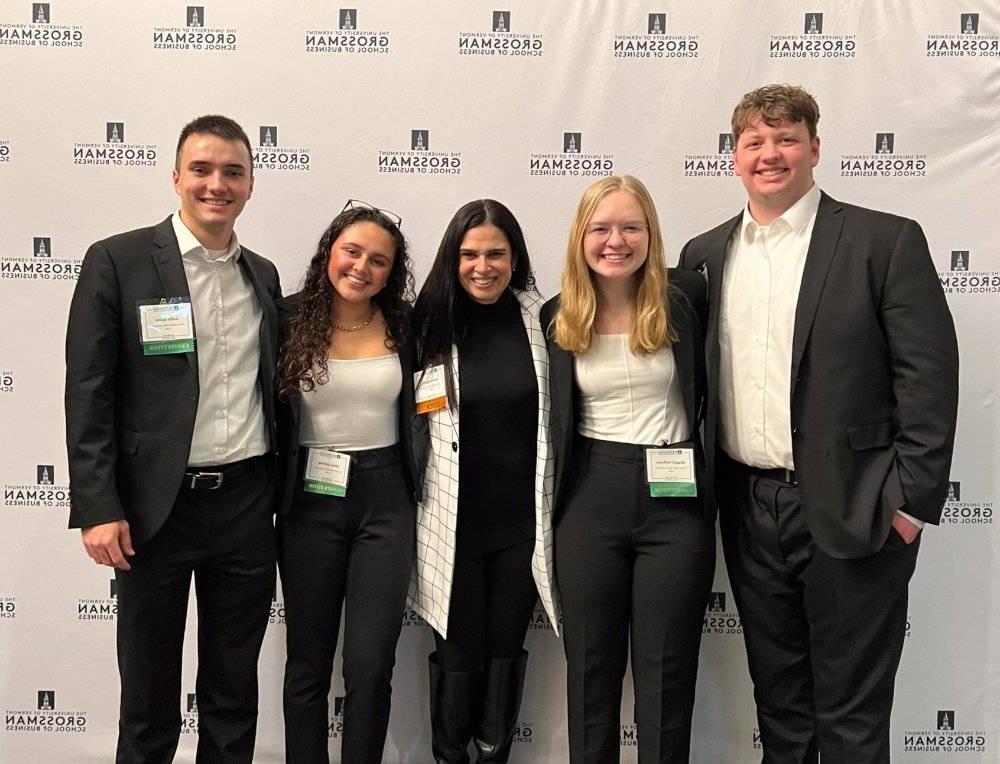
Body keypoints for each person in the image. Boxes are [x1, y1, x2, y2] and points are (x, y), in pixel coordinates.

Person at [678, 84, 959, 763]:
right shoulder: (702, 256)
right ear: (734, 156)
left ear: (815, 148)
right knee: (780, 704)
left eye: (786, 139)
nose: (769, 154)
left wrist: (909, 505)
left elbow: (928, 379)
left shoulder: (883, 240)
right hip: (749, 510)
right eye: (754, 142)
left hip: (859, 506)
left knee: (853, 713)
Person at [64, 114, 281, 762]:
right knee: (149, 696)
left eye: (233, 172)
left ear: (250, 184)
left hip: (245, 505)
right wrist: (99, 506)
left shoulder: (262, 276)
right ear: (177, 176)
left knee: (232, 691)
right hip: (154, 509)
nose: (217, 184)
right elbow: (89, 391)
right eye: (203, 169)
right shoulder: (119, 260)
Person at [541, 175, 714, 763]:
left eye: (631, 227)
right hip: (590, 495)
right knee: (590, 673)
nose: (616, 241)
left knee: (668, 675)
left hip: (676, 500)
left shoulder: (686, 303)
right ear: (580, 237)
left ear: (650, 235)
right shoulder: (556, 317)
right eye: (601, 228)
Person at [409, 199, 559, 763]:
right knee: (456, 652)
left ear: (514, 257)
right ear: (453, 258)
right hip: (451, 526)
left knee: (505, 650)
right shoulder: (426, 325)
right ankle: (450, 756)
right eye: (469, 254)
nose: (483, 266)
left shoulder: (543, 322)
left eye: (495, 253)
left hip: (521, 529)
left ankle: (495, 755)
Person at [274, 202, 423, 763]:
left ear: (392, 272)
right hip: (309, 499)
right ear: (329, 253)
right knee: (308, 661)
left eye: (379, 260)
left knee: (370, 662)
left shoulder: (407, 326)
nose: (362, 267)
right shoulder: (287, 319)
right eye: (352, 252)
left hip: (386, 501)